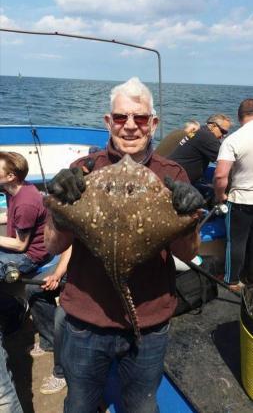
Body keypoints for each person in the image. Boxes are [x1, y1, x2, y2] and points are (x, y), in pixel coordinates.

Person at [44, 77, 204, 413]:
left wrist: (188, 217)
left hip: (149, 322)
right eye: (120, 118)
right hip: (86, 320)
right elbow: (53, 246)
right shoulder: (82, 171)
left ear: (154, 125)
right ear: (108, 121)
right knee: (80, 404)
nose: (130, 126)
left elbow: (188, 254)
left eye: (140, 118)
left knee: (142, 406)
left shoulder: (172, 173)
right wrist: (59, 209)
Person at [214, 99, 253, 292]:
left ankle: (232, 280)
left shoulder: (233, 140)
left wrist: (220, 195)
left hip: (241, 200)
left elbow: (220, 175)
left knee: (236, 241)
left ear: (240, 117)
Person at [0, 151, 52, 281]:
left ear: (10, 176)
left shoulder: (25, 203)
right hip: (18, 246)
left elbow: (20, 245)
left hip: (30, 256)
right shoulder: (12, 189)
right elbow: (10, 217)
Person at [27, 247, 71, 394]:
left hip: (100, 279)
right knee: (32, 289)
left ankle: (61, 373)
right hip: (76, 267)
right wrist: (57, 275)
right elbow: (71, 245)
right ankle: (50, 341)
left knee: (61, 316)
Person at [169, 114, 232, 184]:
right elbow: (226, 158)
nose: (224, 136)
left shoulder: (200, 131)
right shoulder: (207, 137)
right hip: (176, 180)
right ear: (213, 126)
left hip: (172, 174)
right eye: (223, 132)